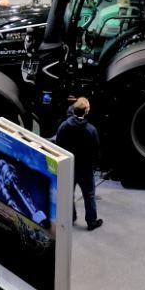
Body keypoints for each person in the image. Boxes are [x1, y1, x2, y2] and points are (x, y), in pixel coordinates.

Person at [54, 97, 102, 231]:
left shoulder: (64, 126)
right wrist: (94, 166)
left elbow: (58, 145)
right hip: (85, 169)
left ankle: (71, 216)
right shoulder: (91, 130)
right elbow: (96, 151)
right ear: (86, 111)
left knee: (69, 194)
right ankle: (91, 222)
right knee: (89, 195)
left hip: (69, 167)